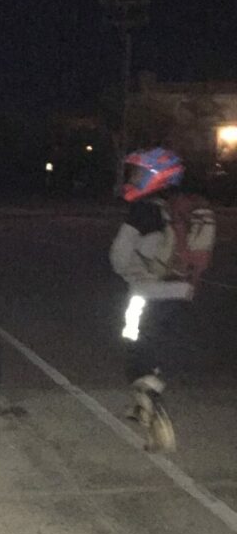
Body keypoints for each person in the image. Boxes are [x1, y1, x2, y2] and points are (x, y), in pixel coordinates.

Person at [109, 147, 215, 451]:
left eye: (141, 173)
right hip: (181, 294)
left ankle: (148, 398)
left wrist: (131, 273)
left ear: (158, 175)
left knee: (135, 344)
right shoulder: (188, 207)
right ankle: (142, 401)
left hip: (145, 293)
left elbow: (118, 257)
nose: (135, 178)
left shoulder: (145, 210)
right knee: (161, 345)